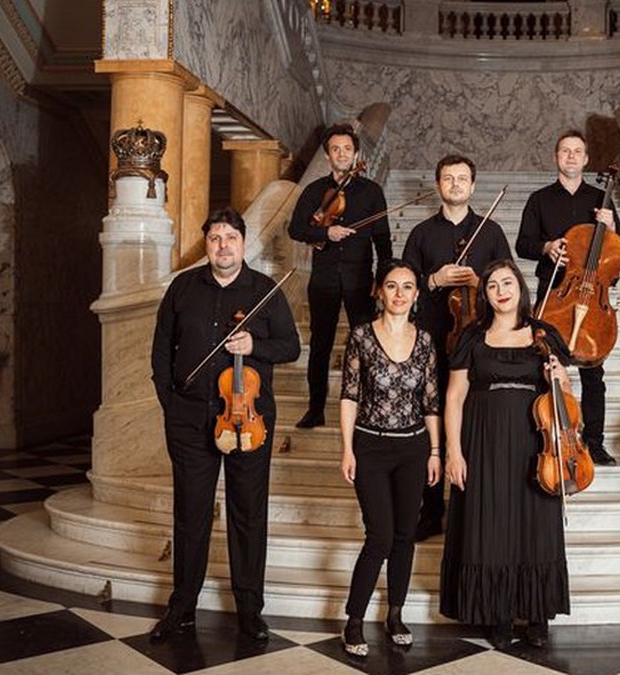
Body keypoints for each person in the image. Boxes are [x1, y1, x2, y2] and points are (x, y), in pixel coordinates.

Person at [149, 207, 301, 641]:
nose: (222, 246)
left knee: (248, 514)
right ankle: (183, 607)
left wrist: (257, 345)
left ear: (242, 242)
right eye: (215, 238)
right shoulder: (183, 288)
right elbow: (161, 350)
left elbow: (291, 346)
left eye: (230, 237)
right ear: (207, 244)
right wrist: (169, 402)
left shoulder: (265, 291)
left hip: (248, 420)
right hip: (190, 419)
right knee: (190, 514)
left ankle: (250, 610)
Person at [439, 259, 571, 650]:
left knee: (536, 526)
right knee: (490, 524)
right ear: (485, 295)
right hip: (482, 441)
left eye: (507, 282)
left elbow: (564, 390)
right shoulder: (472, 336)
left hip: (534, 441)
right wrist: (453, 451)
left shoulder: (544, 334)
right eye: (493, 284)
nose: (501, 289)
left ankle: (537, 613)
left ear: (520, 288)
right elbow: (454, 396)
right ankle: (496, 612)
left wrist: (558, 376)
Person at [402, 154, 512, 541]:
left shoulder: (491, 230)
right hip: (432, 342)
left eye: (462, 178)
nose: (455, 184)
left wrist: (482, 284)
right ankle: (431, 511)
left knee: (474, 428)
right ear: (438, 185)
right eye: (448, 178)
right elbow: (403, 286)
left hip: (481, 344)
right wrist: (434, 278)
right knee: (433, 427)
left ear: (472, 185)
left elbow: (509, 281)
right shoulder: (420, 234)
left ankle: (471, 514)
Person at [338, 259, 442, 657]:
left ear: (416, 294)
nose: (399, 294)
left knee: (404, 536)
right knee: (380, 535)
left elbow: (431, 401)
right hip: (370, 446)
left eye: (407, 287)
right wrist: (346, 448)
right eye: (392, 286)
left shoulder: (426, 340)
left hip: (414, 447)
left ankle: (396, 613)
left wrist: (434, 451)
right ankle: (354, 619)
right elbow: (349, 395)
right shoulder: (362, 336)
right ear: (380, 292)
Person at [516, 130, 620, 467]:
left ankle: (594, 442)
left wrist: (611, 229)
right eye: (565, 151)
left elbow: (619, 252)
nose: (571, 157)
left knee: (594, 374)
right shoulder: (539, 199)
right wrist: (546, 248)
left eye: (577, 151)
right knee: (548, 367)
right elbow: (523, 244)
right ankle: (548, 438)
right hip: (555, 295)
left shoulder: (602, 199)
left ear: (586, 158)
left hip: (592, 299)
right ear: (556, 157)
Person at [288, 123, 392, 429]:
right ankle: (315, 408)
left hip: (361, 278)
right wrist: (325, 231)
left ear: (355, 152)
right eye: (336, 149)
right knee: (320, 344)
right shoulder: (314, 191)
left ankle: (366, 407)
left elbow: (383, 240)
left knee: (364, 345)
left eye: (347, 149)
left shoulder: (372, 191)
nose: (342, 154)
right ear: (328, 155)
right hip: (324, 280)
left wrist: (383, 280)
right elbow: (296, 229)